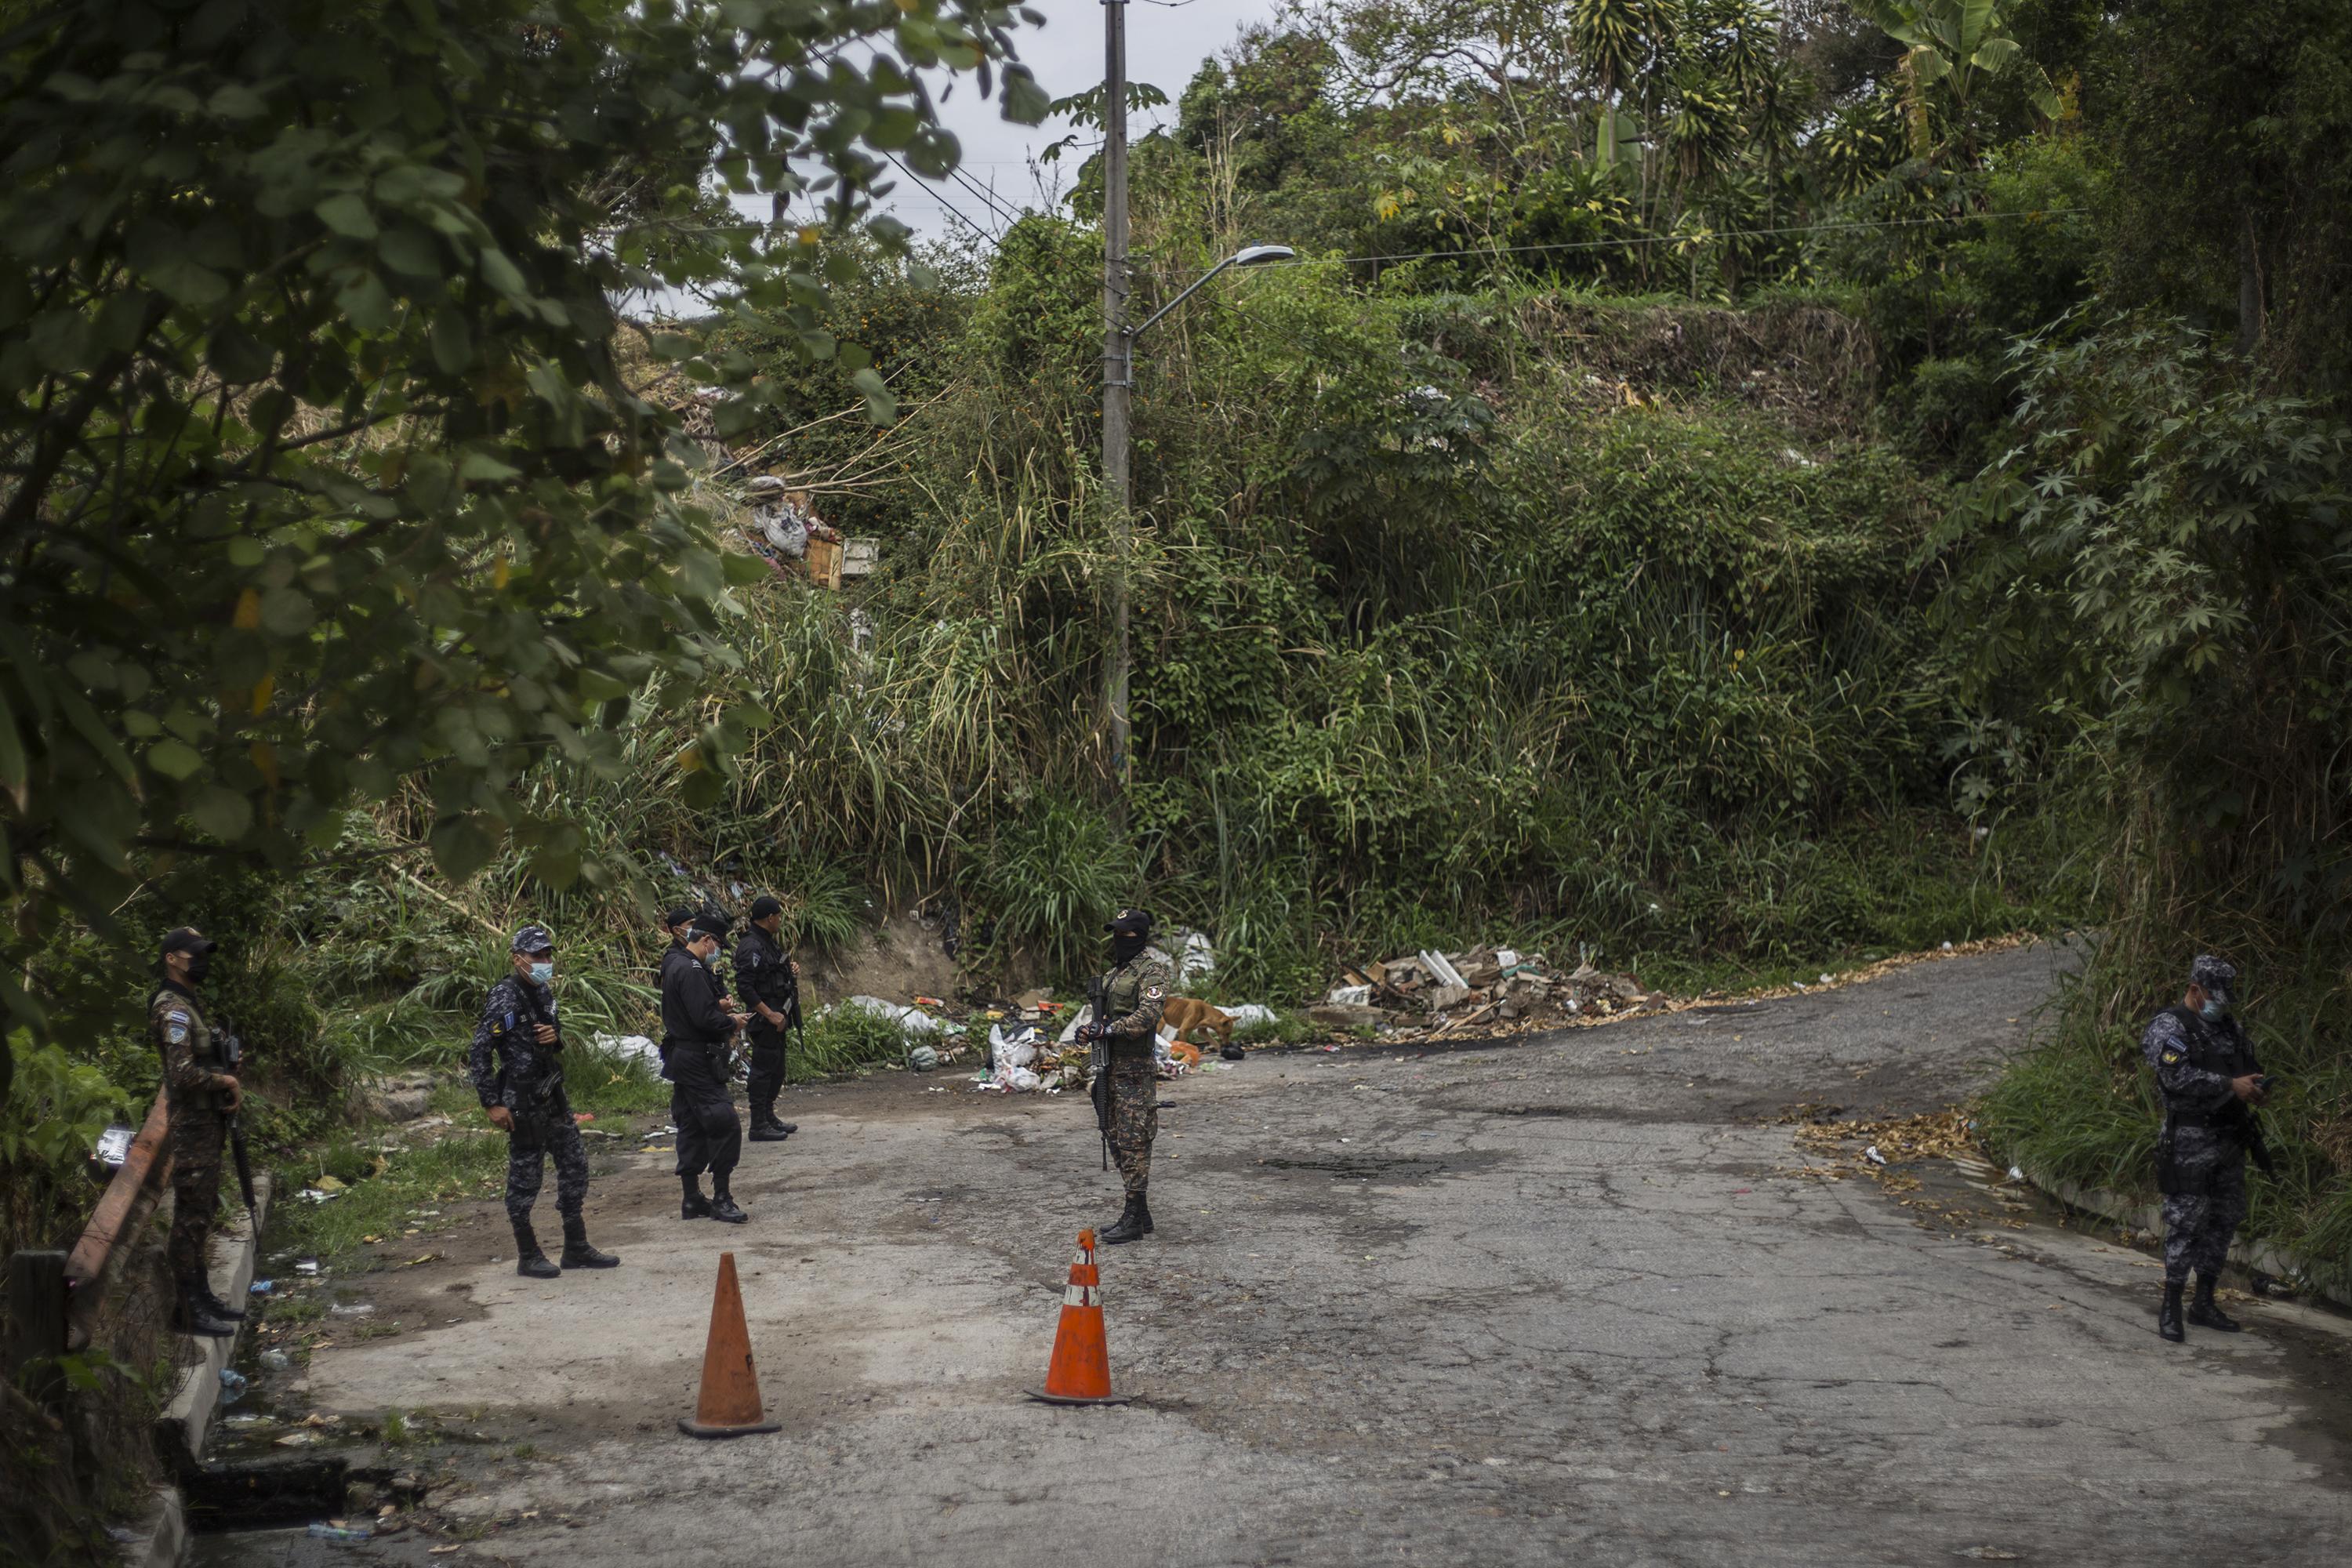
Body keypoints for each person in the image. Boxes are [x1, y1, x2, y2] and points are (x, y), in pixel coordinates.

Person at [470, 925, 619, 1279]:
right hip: (521, 1102)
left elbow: (551, 1034)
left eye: (548, 955)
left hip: (552, 1095)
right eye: (538, 956)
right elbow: (479, 1050)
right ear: (518, 959)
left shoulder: (544, 993)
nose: (545, 962)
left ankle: (576, 1247)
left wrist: (556, 1037)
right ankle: (528, 1253)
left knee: (575, 1167)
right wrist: (491, 1103)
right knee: (525, 1181)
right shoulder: (505, 996)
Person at [2142, 953, 2267, 1343]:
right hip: (2189, 1142)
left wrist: (2255, 1089)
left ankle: (2205, 1302)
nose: (2221, 1006)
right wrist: (2230, 1086)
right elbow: (2177, 1077)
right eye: (2215, 997)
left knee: (2224, 1219)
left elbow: (2245, 1067)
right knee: (2186, 1223)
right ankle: (2171, 1307)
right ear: (2196, 990)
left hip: (2230, 1139)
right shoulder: (2168, 1027)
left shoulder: (2230, 1028)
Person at [151, 927, 242, 1338]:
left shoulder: (189, 1004)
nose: (199, 961)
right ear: (172, 958)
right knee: (189, 1217)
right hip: (191, 1127)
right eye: (193, 955)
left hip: (205, 1125)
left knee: (201, 1213)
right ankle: (186, 1310)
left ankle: (201, 1297)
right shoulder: (172, 1008)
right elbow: (182, 1074)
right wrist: (225, 1083)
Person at [1077, 908, 1172, 1245]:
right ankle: (1141, 1209)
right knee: (1113, 1132)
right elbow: (1100, 1017)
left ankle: (1132, 1214)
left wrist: (1110, 1029)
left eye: (1126, 935)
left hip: (1134, 1069)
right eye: (1116, 934)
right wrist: (1090, 1031)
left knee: (1134, 1139)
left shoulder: (1152, 973)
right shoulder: (1113, 974)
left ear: (1140, 937)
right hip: (1109, 1067)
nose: (1119, 940)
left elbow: (1148, 1015)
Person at [663, 912, 751, 1221]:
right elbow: (704, 1018)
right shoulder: (691, 970)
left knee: (691, 1123)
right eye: (717, 945)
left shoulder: (674, 963)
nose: (718, 951)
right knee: (724, 1122)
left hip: (682, 1057)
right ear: (706, 940)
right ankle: (722, 1198)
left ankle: (692, 1198)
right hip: (697, 1058)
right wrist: (732, 1022)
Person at [732, 895, 803, 1143]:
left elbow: (772, 971)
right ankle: (758, 1124)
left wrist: (790, 968)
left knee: (777, 1069)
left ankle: (768, 1116)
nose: (781, 920)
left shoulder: (767, 942)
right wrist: (769, 1014)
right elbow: (745, 987)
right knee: (762, 1071)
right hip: (766, 1020)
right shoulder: (751, 946)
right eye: (779, 916)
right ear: (771, 918)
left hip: (778, 1019)